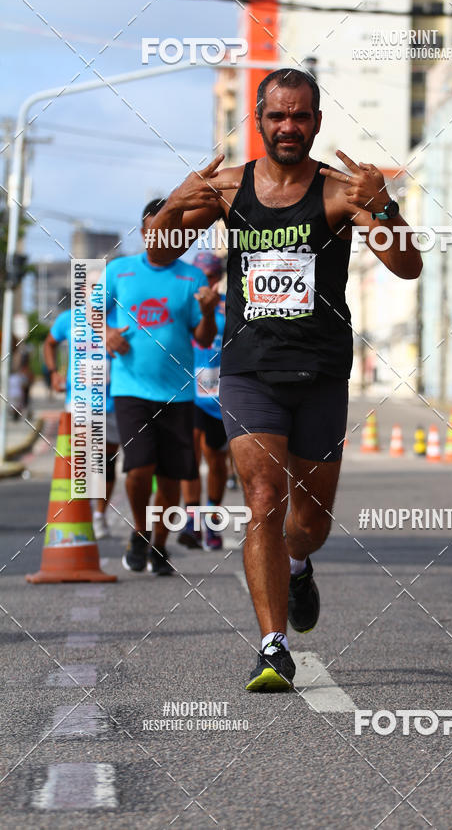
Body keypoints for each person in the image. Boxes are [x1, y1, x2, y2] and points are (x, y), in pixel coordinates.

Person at [147, 69, 422, 688]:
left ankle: (299, 564)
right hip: (250, 370)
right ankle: (273, 647)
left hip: (321, 370)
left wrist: (384, 205)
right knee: (264, 501)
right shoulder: (225, 188)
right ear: (260, 121)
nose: (289, 127)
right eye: (277, 116)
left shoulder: (341, 192)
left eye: (300, 116)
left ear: (317, 122)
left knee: (311, 523)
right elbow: (160, 252)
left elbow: (407, 266)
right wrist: (175, 201)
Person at [102, 199, 219, 577]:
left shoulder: (192, 277)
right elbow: (90, 311)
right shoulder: (119, 270)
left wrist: (206, 312)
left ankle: (160, 545)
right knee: (139, 468)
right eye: (156, 230)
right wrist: (106, 333)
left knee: (171, 478)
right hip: (131, 389)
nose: (163, 237)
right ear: (143, 232)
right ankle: (140, 530)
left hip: (178, 393)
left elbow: (205, 337)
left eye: (172, 231)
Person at [43, 309, 120, 539]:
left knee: (106, 463)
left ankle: (99, 515)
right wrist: (53, 373)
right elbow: (49, 343)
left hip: (113, 401)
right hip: (79, 401)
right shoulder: (69, 318)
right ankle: (83, 512)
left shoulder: (119, 315)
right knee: (82, 458)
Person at [179, 251, 228, 552]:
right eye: (200, 276)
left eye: (209, 276)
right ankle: (191, 520)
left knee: (216, 460)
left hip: (220, 395)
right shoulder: (185, 305)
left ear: (218, 277)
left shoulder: (229, 307)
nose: (204, 282)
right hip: (190, 393)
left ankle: (212, 517)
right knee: (190, 456)